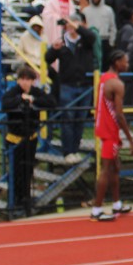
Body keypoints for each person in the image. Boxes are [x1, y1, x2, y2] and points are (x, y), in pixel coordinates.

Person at [1, 66, 57, 215]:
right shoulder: (13, 92)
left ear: (33, 81)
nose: (25, 82)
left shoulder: (36, 92)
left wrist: (34, 100)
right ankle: (14, 200)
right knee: (16, 171)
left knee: (28, 170)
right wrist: (21, 99)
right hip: (15, 140)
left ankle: (25, 199)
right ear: (18, 80)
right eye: (22, 79)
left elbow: (51, 102)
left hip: (30, 139)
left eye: (28, 79)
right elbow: (5, 104)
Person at [91, 51, 133, 222]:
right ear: (117, 62)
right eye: (125, 62)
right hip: (110, 130)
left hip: (102, 126)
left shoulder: (104, 78)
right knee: (106, 169)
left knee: (115, 167)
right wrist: (131, 140)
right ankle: (96, 209)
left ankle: (117, 204)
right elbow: (119, 114)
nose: (127, 65)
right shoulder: (117, 84)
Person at [45, 14, 97, 163]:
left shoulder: (86, 40)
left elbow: (91, 36)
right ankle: (68, 151)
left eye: (74, 23)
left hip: (85, 86)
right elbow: (48, 59)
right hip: (67, 86)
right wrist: (53, 49)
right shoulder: (62, 42)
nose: (71, 26)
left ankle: (75, 149)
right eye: (69, 23)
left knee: (80, 120)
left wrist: (77, 26)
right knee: (68, 119)